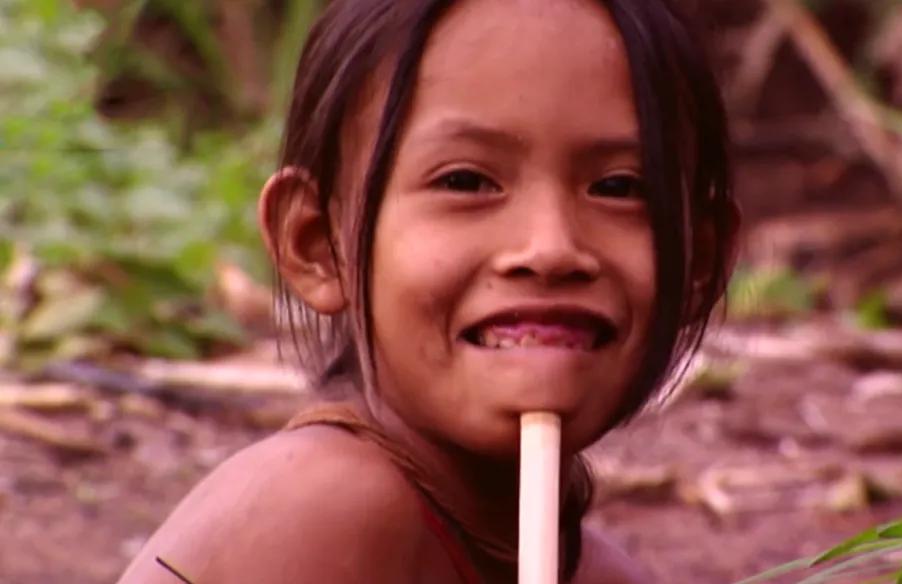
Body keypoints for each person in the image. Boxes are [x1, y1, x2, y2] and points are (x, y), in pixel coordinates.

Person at [117, 0, 739, 582]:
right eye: (466, 180)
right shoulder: (324, 513)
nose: (550, 248)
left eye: (619, 188)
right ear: (317, 243)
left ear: (702, 264)